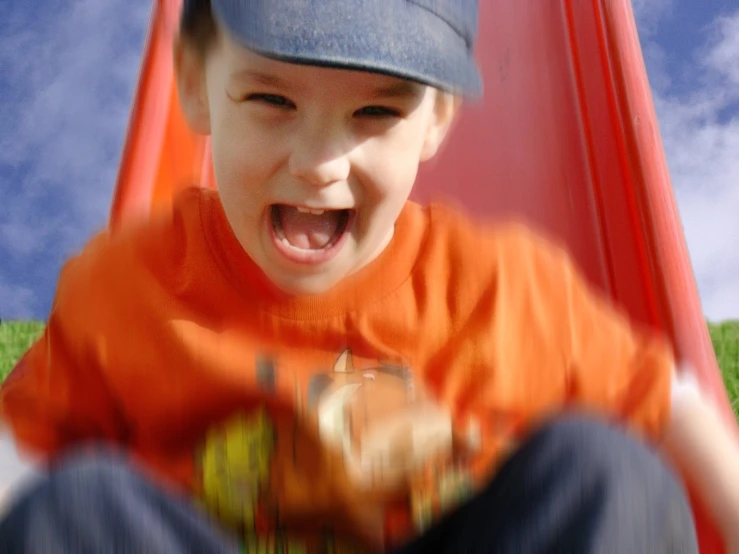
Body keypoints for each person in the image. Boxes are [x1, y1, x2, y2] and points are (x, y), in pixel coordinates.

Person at [0, 0, 738, 552]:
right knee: (72, 507)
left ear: (438, 119)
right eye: (271, 100)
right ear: (195, 85)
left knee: (612, 477)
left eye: (374, 113)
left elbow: (666, 403)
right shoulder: (131, 288)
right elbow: (14, 445)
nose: (319, 162)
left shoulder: (497, 289)